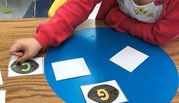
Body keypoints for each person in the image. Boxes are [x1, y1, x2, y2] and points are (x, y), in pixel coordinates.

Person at [10, 0, 179, 62]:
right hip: (110, 40)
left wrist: (117, 18)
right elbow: (78, 5)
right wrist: (40, 39)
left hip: (157, 53)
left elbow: (159, 35)